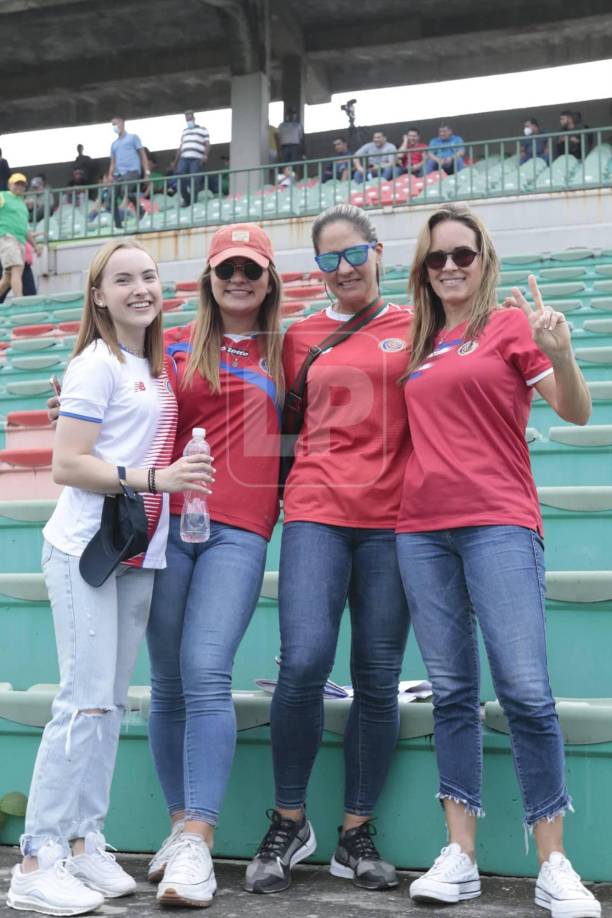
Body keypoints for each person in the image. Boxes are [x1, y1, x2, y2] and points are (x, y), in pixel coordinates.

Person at [395, 203, 600, 918]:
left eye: (464, 254)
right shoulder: (419, 340)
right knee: (453, 692)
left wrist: (562, 351)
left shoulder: (512, 326)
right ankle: (460, 855)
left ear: (484, 259)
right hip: (421, 531)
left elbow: (574, 411)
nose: (451, 266)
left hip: (499, 523)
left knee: (525, 691)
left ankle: (553, 863)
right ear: (423, 270)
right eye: (437, 257)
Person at [7, 239, 214, 917]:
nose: (139, 289)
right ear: (98, 296)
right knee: (83, 702)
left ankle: (82, 838)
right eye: (122, 280)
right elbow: (67, 464)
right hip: (85, 552)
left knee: (109, 704)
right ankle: (36, 859)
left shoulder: (153, 367)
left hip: (136, 554)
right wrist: (157, 479)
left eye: (148, 277)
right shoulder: (96, 363)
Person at [245, 204, 411, 896]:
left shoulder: (416, 325)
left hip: (393, 521)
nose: (343, 268)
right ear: (316, 268)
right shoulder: (299, 337)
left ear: (378, 252)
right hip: (315, 512)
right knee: (305, 660)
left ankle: (355, 833)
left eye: (354, 254)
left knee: (377, 673)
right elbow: (269, 420)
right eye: (328, 259)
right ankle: (290, 821)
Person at [144, 223, 284, 908]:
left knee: (205, 670)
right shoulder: (172, 344)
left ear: (268, 280)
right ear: (209, 278)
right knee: (166, 682)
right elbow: (131, 414)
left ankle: (200, 837)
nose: (238, 280)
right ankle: (178, 827)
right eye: (226, 269)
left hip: (239, 528)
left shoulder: (287, 351)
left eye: (250, 269)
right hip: (167, 523)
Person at [0, 173, 41, 301]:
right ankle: (20, 301)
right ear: (9, 185)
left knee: (7, 279)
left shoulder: (22, 204)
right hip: (7, 237)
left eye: (22, 184)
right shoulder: (2, 196)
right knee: (16, 268)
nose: (19, 186)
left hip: (20, 241)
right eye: (16, 183)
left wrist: (35, 246)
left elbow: (25, 229)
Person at [106, 116, 149, 228]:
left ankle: (140, 210)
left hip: (132, 171)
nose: (114, 126)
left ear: (122, 123)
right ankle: (118, 224)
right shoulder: (114, 144)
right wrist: (110, 175)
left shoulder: (133, 138)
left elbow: (142, 155)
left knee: (125, 190)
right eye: (112, 125)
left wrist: (146, 172)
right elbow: (113, 162)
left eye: (115, 123)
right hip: (119, 175)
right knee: (111, 197)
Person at [171, 110, 212, 207]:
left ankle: (193, 201)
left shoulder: (203, 130)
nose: (188, 121)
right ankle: (187, 199)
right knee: (180, 176)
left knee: (194, 180)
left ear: (194, 118)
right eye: (187, 119)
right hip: (184, 158)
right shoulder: (185, 131)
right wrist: (175, 162)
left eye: (190, 118)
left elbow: (207, 144)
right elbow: (181, 147)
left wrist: (205, 156)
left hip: (196, 159)